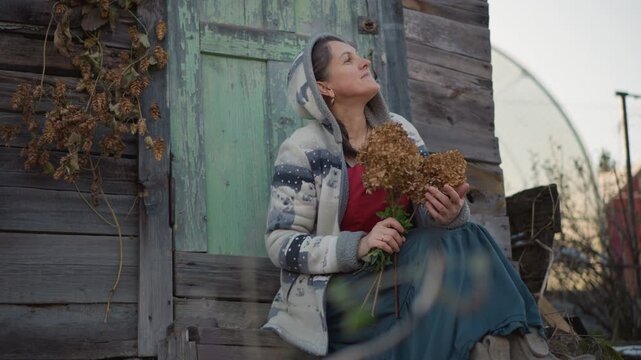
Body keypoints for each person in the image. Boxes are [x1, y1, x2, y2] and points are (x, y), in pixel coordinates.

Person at [261, 33, 553, 359]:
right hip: (340, 300)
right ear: (324, 88)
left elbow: (424, 206)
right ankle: (513, 343)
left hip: (405, 278)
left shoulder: (401, 131)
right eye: (347, 59)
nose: (364, 61)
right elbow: (281, 243)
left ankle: (515, 343)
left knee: (466, 232)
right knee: (430, 252)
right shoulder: (303, 150)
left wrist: (446, 212)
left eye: (359, 55)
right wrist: (357, 245)